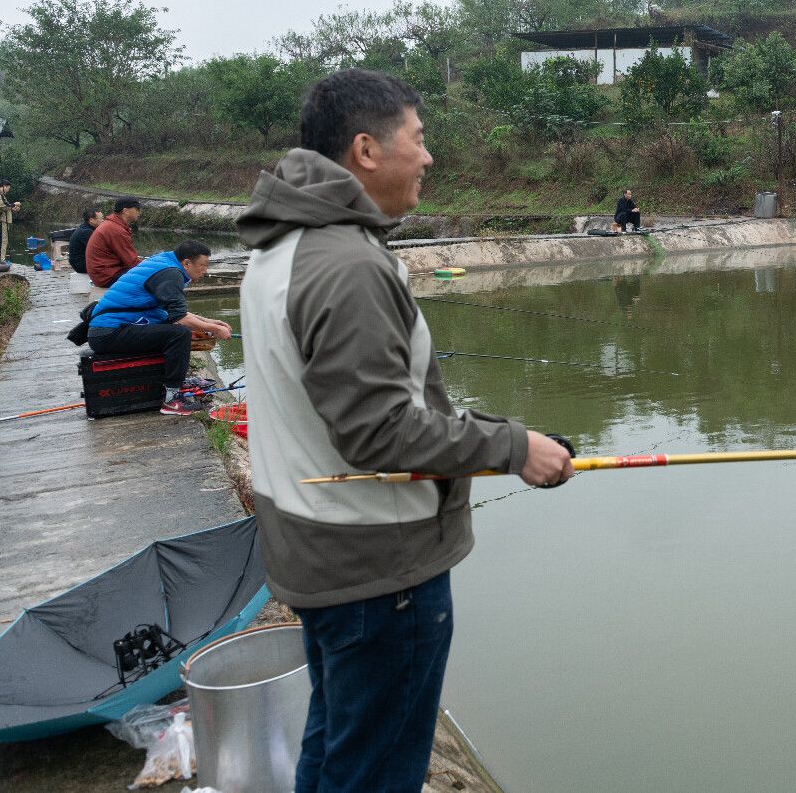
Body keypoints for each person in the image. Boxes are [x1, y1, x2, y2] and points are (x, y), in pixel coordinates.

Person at [237, 68, 573, 793]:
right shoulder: (347, 265)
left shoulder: (280, 250)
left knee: (335, 749)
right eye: (417, 140)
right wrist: (514, 447)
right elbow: (382, 432)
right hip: (376, 574)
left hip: (317, 553)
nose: (428, 158)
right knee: (377, 770)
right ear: (365, 149)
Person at [86, 241, 233, 415]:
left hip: (111, 330)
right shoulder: (171, 274)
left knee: (177, 330)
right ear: (186, 263)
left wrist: (209, 322)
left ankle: (175, 383)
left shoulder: (165, 263)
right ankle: (172, 399)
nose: (205, 271)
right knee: (180, 334)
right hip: (108, 333)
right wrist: (215, 330)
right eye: (202, 265)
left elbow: (173, 313)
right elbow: (180, 318)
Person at [85, 197, 142, 300]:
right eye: (137, 209)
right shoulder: (116, 230)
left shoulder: (113, 225)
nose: (139, 212)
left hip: (103, 273)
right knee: (151, 277)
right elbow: (132, 262)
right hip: (106, 276)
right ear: (125, 211)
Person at [67, 207, 103, 294]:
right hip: (80, 264)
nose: (103, 221)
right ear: (91, 220)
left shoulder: (87, 229)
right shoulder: (86, 232)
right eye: (101, 218)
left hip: (82, 261)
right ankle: (103, 290)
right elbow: (100, 250)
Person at [0, 180, 22, 265]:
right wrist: (14, 204)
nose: (8, 190)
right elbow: (2, 206)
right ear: (4, 186)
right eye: (8, 188)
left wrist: (12, 209)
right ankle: (1, 260)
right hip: (0, 221)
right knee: (2, 240)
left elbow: (2, 206)